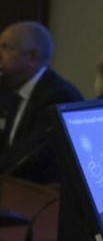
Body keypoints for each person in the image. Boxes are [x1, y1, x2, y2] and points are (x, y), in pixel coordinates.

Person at [0, 21, 84, 183]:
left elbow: (29, 157)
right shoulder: (10, 88)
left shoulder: (59, 95)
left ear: (32, 57)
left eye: (6, 48)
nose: (0, 54)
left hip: (43, 193)